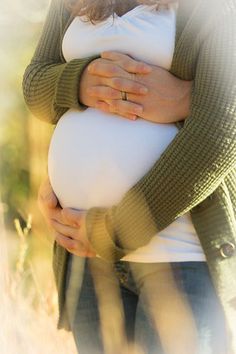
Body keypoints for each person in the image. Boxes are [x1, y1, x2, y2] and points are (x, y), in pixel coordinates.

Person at [23, 0, 236, 353]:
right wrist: (78, 80)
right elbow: (34, 85)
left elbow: (221, 129)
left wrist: (113, 230)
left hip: (180, 255)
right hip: (88, 257)